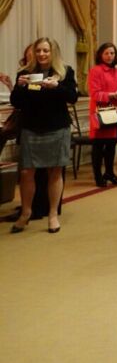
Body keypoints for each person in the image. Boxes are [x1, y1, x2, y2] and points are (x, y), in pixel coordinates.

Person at [9, 37, 78, 233]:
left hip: (57, 128)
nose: (41, 54)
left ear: (52, 52)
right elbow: (16, 102)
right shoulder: (25, 73)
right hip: (31, 128)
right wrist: (20, 86)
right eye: (38, 50)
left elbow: (72, 97)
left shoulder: (64, 72)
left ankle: (53, 214)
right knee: (26, 173)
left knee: (54, 172)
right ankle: (26, 212)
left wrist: (57, 87)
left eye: (45, 50)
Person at [87, 42, 117, 187]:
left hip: (115, 113)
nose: (110, 56)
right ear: (100, 55)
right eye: (106, 53)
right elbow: (95, 93)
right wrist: (112, 95)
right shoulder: (95, 71)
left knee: (111, 146)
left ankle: (110, 172)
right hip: (101, 113)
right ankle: (98, 176)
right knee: (98, 147)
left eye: (112, 53)